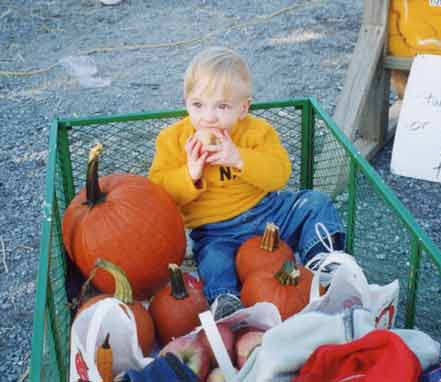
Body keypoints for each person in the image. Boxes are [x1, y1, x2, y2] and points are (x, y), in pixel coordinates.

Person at [148, 46, 350, 319]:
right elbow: (160, 194)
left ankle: (324, 262)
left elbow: (280, 173)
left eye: (222, 106)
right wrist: (190, 173)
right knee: (213, 259)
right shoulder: (172, 141)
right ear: (186, 102)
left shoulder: (257, 132)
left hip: (269, 214)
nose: (208, 117)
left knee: (315, 202)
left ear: (243, 108)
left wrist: (240, 159)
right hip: (215, 231)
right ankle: (226, 298)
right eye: (197, 105)